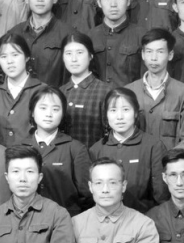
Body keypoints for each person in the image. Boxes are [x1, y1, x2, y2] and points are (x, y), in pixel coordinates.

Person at [89, 88, 168, 213]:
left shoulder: (153, 146)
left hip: (145, 218)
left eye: (126, 110)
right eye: (113, 110)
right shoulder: (96, 149)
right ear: (106, 115)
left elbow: (161, 195)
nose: (119, 117)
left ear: (136, 113)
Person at [20, 86, 92, 216]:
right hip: (27, 219)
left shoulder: (76, 149)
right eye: (43, 108)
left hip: (66, 220)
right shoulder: (20, 148)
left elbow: (86, 195)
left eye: (55, 109)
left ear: (63, 113)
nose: (49, 114)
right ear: (32, 112)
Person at [125, 28, 184, 149]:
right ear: (143, 55)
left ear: (170, 55)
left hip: (171, 158)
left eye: (160, 52)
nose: (154, 58)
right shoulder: (129, 92)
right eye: (149, 52)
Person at [8, 0, 77, 88]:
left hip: (54, 97)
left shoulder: (69, 34)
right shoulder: (14, 33)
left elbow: (74, 76)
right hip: (20, 97)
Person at [82, 0, 147, 88]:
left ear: (128, 1)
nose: (113, 4)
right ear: (99, 2)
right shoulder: (89, 37)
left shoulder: (142, 35)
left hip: (131, 97)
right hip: (98, 98)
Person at [0, 33, 45, 147]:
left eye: (15, 55)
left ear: (27, 57)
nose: (9, 61)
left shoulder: (43, 92)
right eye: (3, 56)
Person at [60, 33, 113, 148]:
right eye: (68, 53)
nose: (74, 59)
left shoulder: (105, 92)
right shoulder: (59, 93)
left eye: (79, 53)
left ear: (91, 56)